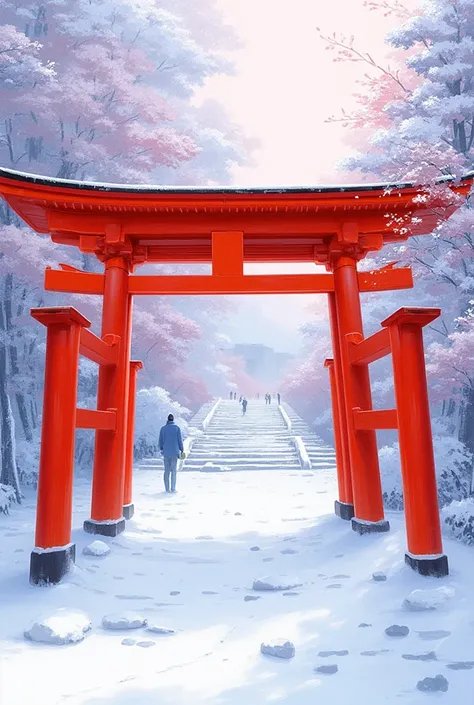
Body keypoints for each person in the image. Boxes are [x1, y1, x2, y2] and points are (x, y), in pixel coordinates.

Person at [159, 413, 184, 493]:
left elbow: (160, 441)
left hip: (166, 452)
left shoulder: (163, 428)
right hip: (175, 452)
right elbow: (180, 440)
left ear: (167, 419)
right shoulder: (177, 428)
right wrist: (181, 449)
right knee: (173, 471)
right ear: (173, 420)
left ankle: (167, 489)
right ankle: (173, 488)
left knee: (166, 471)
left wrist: (161, 448)